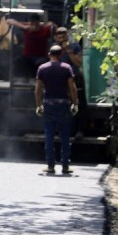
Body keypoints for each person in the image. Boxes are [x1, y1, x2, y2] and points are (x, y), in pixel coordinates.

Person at [35, 44, 79, 174]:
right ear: (61, 55)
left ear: (49, 54)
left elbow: (38, 90)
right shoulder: (66, 68)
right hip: (63, 104)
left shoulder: (42, 68)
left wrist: (39, 105)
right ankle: (65, 166)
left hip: (48, 104)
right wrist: (75, 103)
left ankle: (50, 165)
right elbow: (72, 87)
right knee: (65, 136)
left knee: (49, 135)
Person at [54, 27, 86, 133]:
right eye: (59, 36)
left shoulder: (75, 47)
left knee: (78, 104)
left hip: (75, 78)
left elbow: (78, 62)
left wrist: (68, 51)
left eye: (63, 35)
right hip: (60, 80)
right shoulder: (54, 49)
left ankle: (79, 130)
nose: (61, 38)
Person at [5, 12, 54, 77]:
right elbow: (9, 21)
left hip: (41, 57)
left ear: (38, 22)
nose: (32, 24)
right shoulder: (27, 27)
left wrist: (50, 24)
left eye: (34, 22)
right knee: (16, 61)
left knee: (44, 64)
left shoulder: (45, 30)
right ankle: (21, 79)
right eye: (31, 22)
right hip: (27, 56)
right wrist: (24, 27)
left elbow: (54, 27)